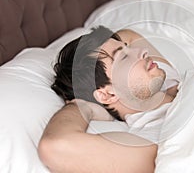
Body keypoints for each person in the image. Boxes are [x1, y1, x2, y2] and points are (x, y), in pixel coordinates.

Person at [38, 26, 179, 172]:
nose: (143, 51)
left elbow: (127, 35)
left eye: (127, 48)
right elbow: (55, 147)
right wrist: (82, 107)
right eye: (123, 57)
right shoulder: (157, 142)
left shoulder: (169, 81)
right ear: (108, 94)